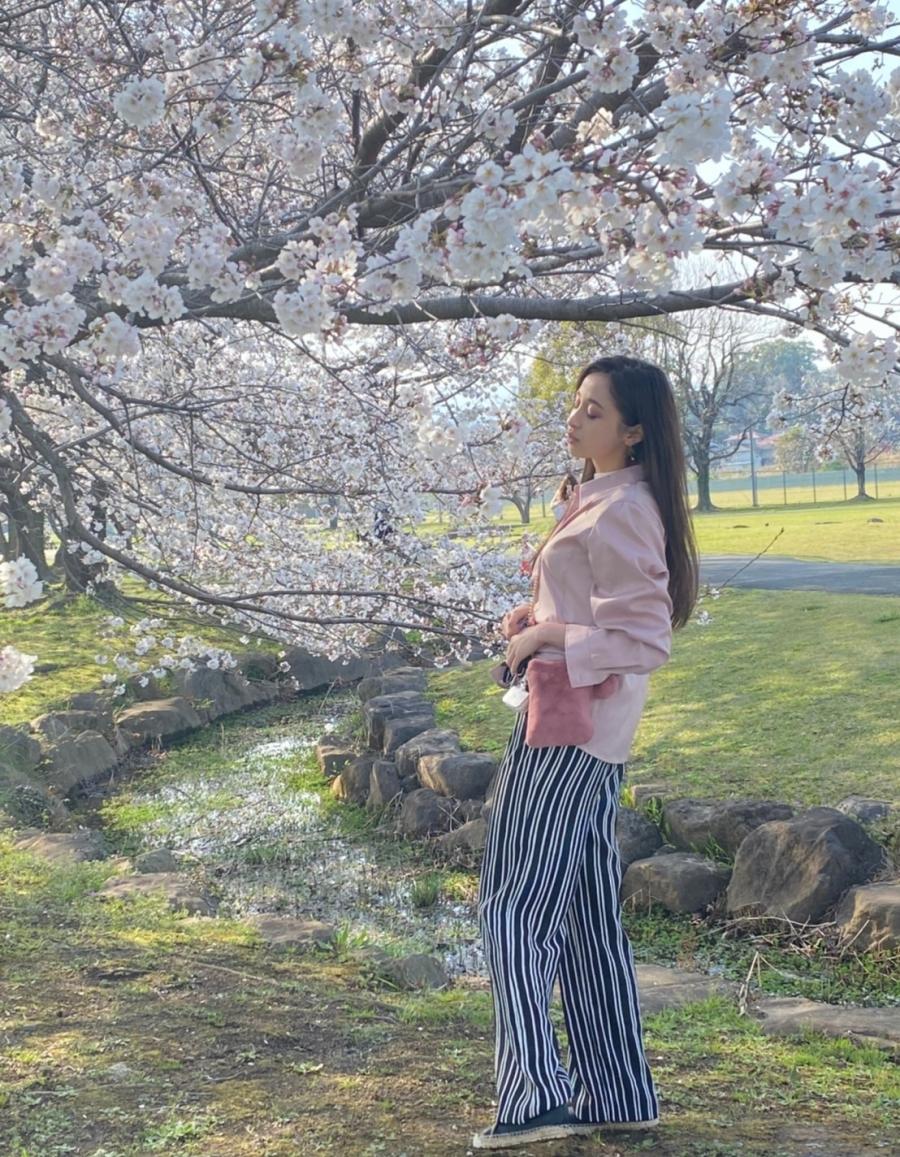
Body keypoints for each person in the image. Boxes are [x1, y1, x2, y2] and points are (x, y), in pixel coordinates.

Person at [472, 355, 699, 1150]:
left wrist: (546, 633)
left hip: (569, 733)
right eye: (576, 405)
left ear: (634, 431)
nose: (573, 419)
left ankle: (534, 1096)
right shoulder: (598, 499)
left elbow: (644, 638)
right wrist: (533, 620)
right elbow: (592, 613)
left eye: (594, 410)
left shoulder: (624, 509)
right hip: (579, 726)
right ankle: (617, 1089)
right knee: (583, 912)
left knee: (511, 903)